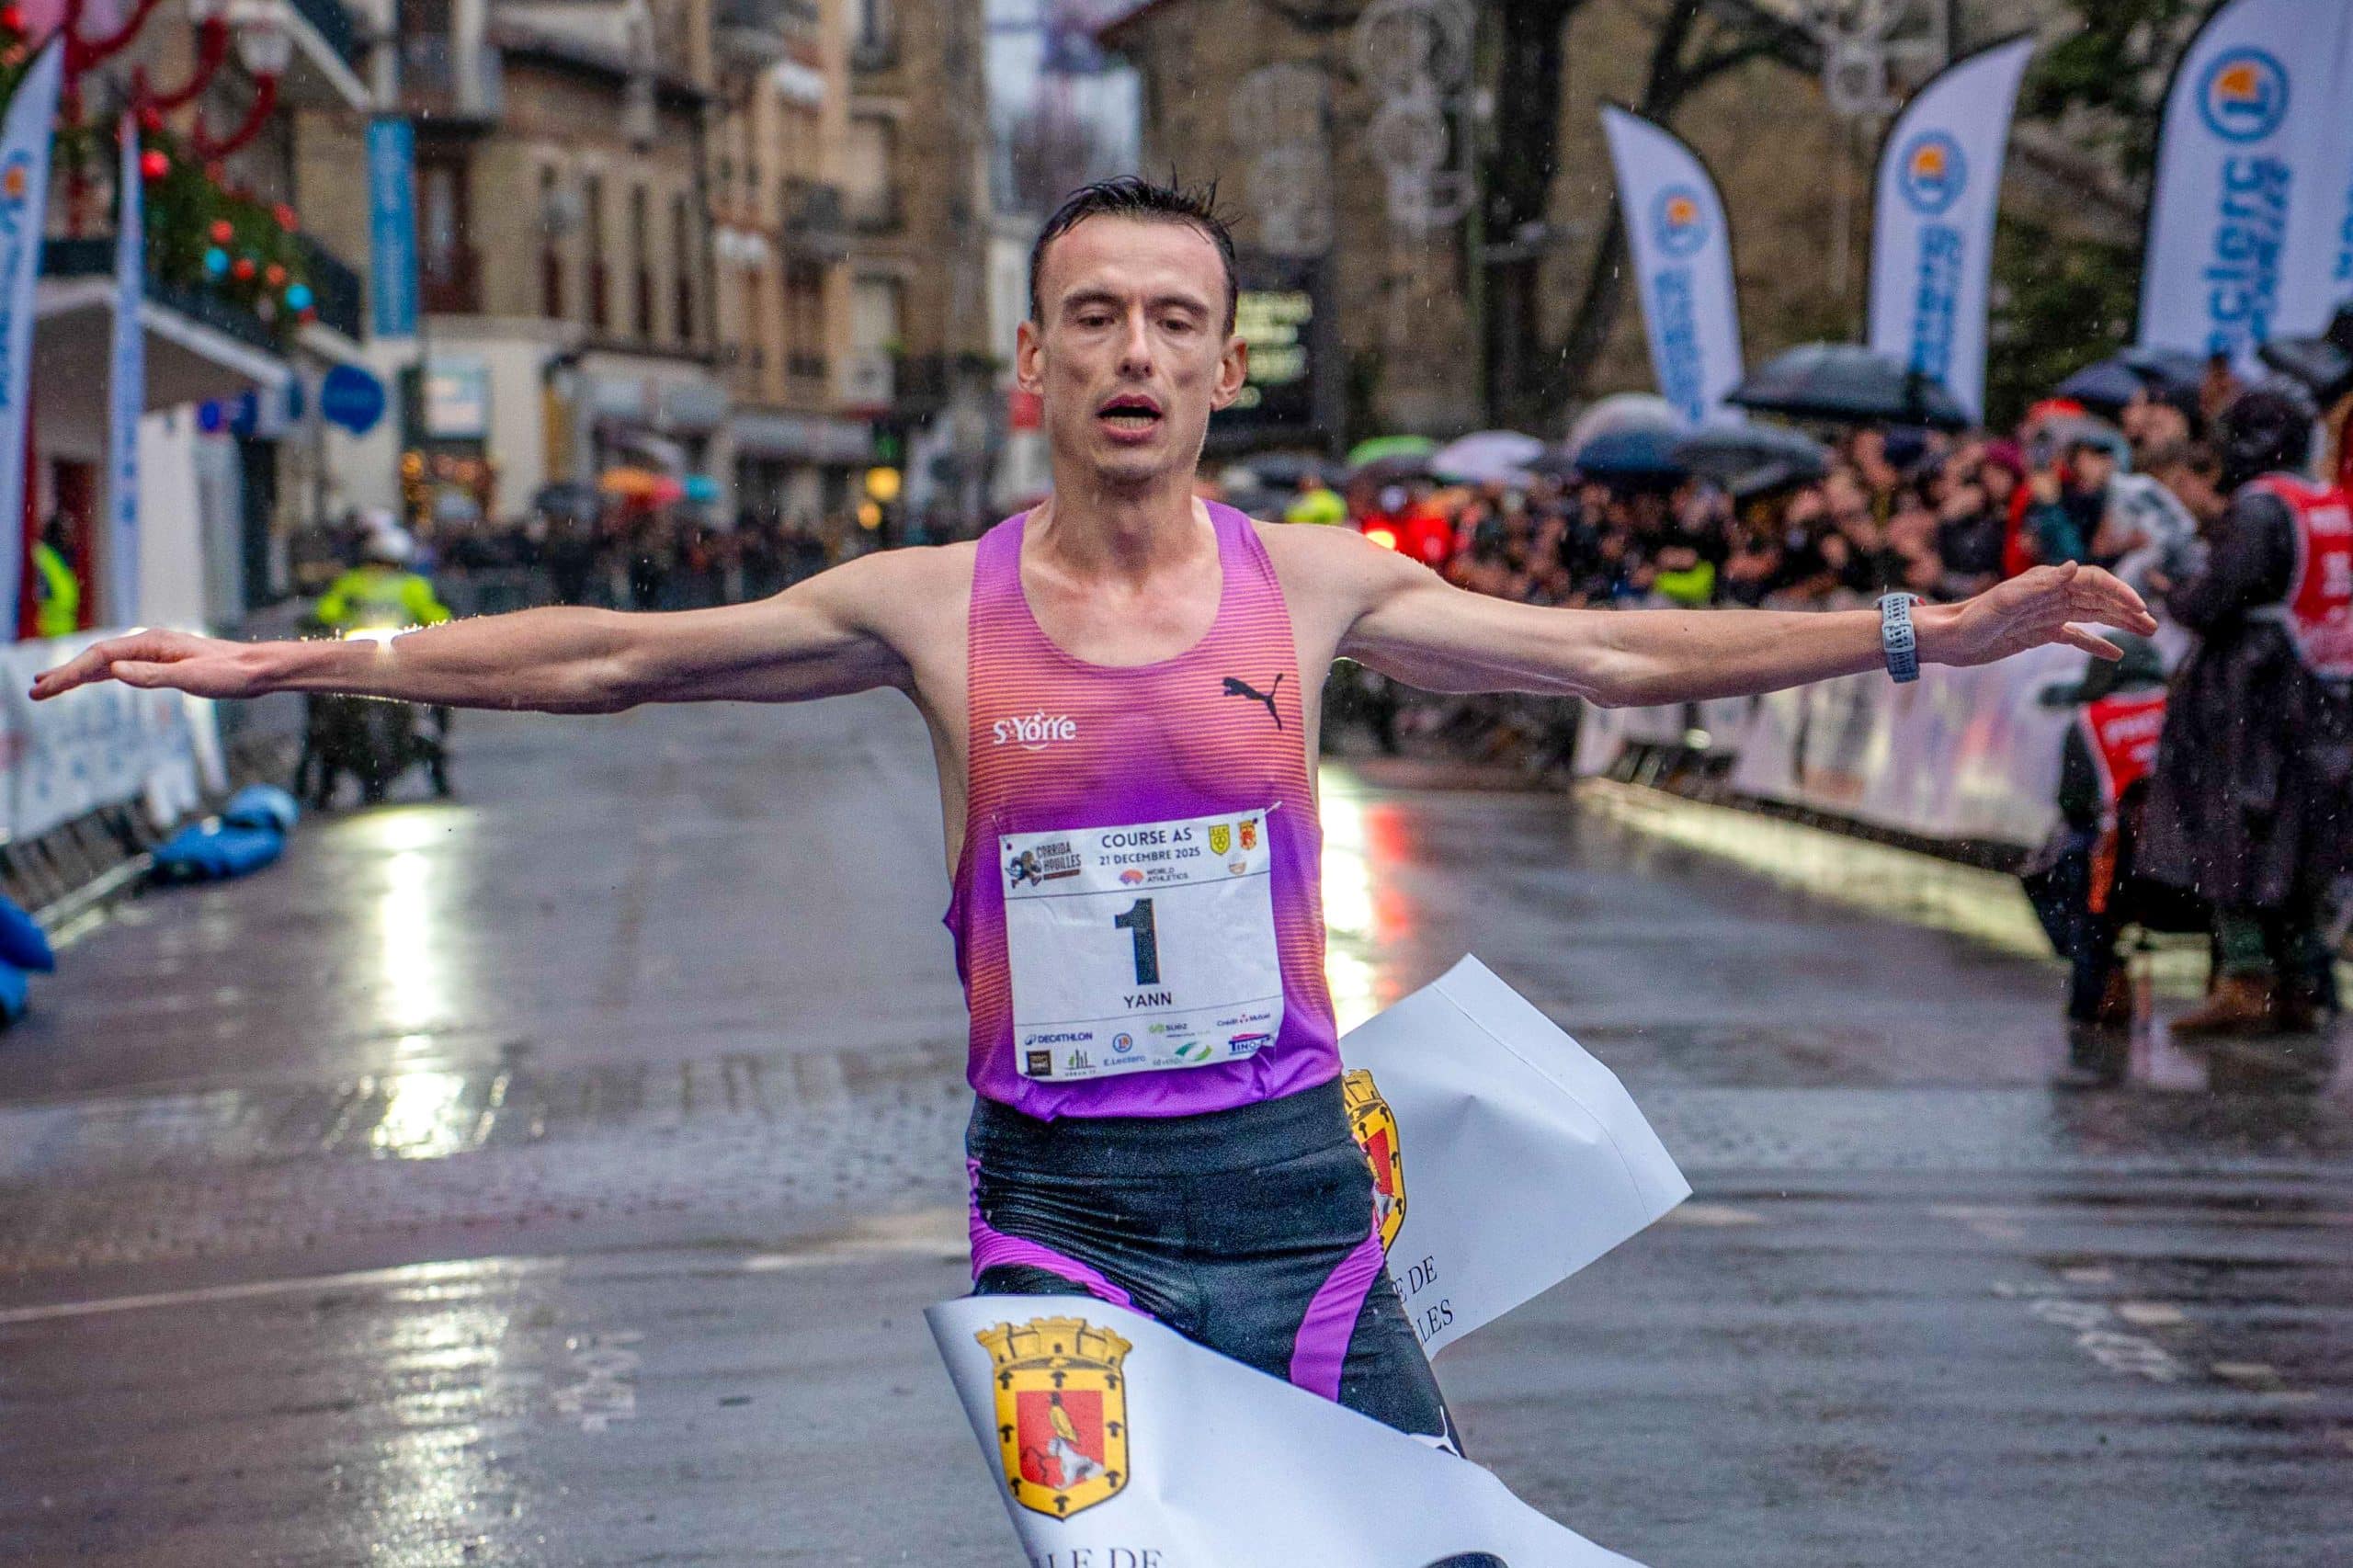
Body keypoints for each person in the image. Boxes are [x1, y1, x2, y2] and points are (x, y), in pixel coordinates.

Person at [30, 176, 2154, 1451]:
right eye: (1092, 319)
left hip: (1295, 1202)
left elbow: (1600, 652)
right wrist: (289, 658)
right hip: (1063, 1215)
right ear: (1031, 367)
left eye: (1172, 321)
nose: (1133, 351)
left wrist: (1923, 625)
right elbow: (606, 654)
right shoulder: (920, 609)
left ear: (1224, 367)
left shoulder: (1309, 581)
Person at [2143, 381, 2352, 1048]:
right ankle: (2303, 981)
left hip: (2250, 692)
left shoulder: (2261, 509)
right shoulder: (2324, 502)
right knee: (2299, 840)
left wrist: (2175, 592)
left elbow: (2213, 601)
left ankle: (2246, 978)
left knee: (2232, 827)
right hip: (2324, 693)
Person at [314, 525, 453, 633]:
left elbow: (430, 610)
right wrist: (333, 614)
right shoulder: (351, 581)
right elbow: (329, 607)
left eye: (390, 564)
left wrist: (439, 620)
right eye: (377, 562)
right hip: (358, 640)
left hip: (400, 639)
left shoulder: (413, 585)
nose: (381, 568)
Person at [29, 515, 80, 640]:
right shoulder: (45, 556)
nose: (69, 537)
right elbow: (38, 593)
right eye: (65, 533)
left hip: (65, 625)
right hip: (49, 630)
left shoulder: (61, 556)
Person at [1282, 470, 1347, 526]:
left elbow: (1339, 518)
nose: (1308, 485)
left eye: (1311, 482)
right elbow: (1289, 519)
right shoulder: (1297, 500)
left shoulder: (1331, 499)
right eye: (1304, 483)